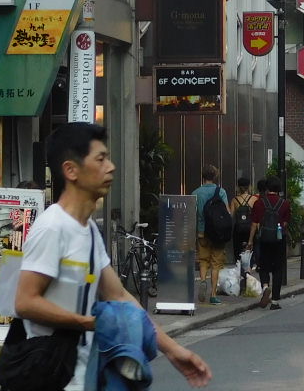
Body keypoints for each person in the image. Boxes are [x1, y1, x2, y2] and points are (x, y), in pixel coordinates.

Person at [15, 122, 210, 390]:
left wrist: (173, 350)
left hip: (84, 375)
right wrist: (88, 322)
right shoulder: (52, 227)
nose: (111, 166)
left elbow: (119, 296)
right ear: (71, 170)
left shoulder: (88, 230)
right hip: (51, 375)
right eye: (100, 159)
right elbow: (26, 302)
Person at [248, 177, 288, 310]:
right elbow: (286, 223)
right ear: (279, 189)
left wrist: (250, 241)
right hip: (279, 239)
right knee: (278, 269)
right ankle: (275, 301)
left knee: (263, 266)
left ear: (267, 188)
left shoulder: (259, 203)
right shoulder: (284, 203)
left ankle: (265, 286)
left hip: (263, 239)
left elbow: (254, 223)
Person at [192, 165, 228, 304]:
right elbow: (226, 212)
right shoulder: (221, 192)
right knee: (216, 263)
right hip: (218, 233)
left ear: (203, 177)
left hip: (202, 232)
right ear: (215, 177)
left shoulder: (196, 192)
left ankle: (202, 281)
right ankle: (213, 294)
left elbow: (192, 212)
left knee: (203, 260)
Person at [230, 176, 256, 270]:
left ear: (238, 187)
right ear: (249, 186)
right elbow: (256, 217)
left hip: (238, 229)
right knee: (250, 249)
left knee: (238, 250)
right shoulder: (254, 199)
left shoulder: (234, 200)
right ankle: (249, 268)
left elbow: (231, 216)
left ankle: (240, 267)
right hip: (250, 229)